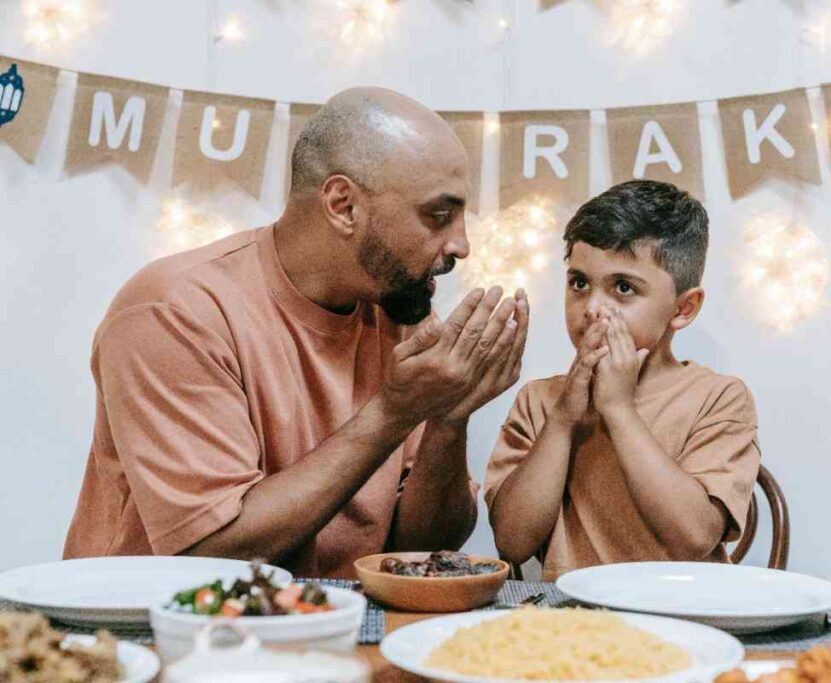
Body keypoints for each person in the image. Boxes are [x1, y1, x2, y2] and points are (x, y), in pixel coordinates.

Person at [63, 87, 529, 578]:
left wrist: (449, 419)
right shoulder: (175, 311)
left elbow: (423, 547)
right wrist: (395, 411)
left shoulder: (399, 312)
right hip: (156, 617)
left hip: (338, 615)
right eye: (438, 215)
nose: (461, 244)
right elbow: (213, 556)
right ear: (343, 206)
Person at [484, 180, 759, 580]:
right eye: (579, 283)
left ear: (683, 308)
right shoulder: (541, 400)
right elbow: (512, 543)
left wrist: (618, 409)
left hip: (682, 610)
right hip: (571, 611)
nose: (593, 308)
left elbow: (695, 538)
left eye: (624, 287)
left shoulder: (719, 397)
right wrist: (561, 420)